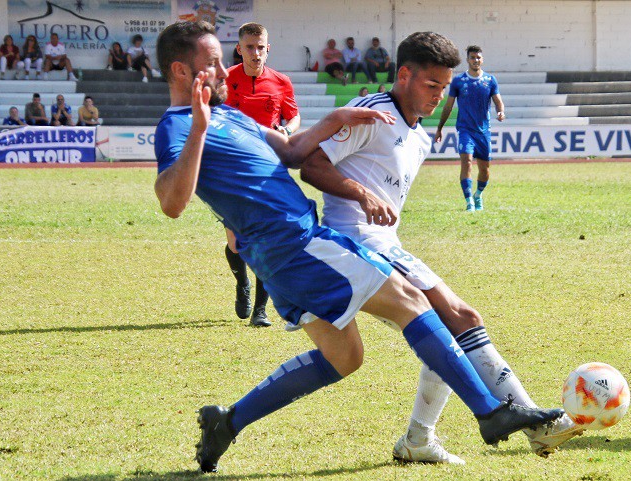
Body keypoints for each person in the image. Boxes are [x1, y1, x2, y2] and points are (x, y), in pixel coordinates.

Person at [153, 21, 562, 474]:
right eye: (212, 64)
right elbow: (172, 202)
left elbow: (291, 152)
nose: (224, 71)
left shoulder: (231, 116)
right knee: (411, 299)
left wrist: (337, 119)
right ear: (180, 71)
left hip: (283, 254)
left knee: (345, 358)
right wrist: (198, 131)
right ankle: (491, 412)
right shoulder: (177, 125)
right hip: (295, 244)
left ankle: (227, 422)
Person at [300, 33, 584, 463]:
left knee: (447, 332)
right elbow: (312, 164)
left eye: (443, 88)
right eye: (431, 86)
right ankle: (536, 425)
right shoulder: (372, 115)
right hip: (353, 240)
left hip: (384, 243)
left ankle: (418, 440)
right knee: (461, 317)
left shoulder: (421, 138)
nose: (438, 96)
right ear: (404, 74)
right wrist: (361, 194)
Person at [222, 22, 302, 327]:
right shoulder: (225, 79)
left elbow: (293, 116)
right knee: (236, 242)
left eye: (261, 47)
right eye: (250, 47)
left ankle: (260, 310)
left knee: (265, 240)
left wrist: (287, 129)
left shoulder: (281, 81)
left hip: (268, 168)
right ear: (239, 49)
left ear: (268, 48)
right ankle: (241, 280)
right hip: (230, 169)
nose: (256, 53)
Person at [435, 45, 505, 212]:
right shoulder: (459, 81)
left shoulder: (490, 80)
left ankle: (478, 195)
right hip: (465, 130)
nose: (476, 60)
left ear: (482, 59)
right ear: (467, 60)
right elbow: (448, 106)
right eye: (473, 57)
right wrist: (440, 128)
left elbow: (498, 102)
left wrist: (501, 111)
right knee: (466, 162)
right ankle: (469, 202)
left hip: (483, 131)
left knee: (484, 169)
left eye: (478, 57)